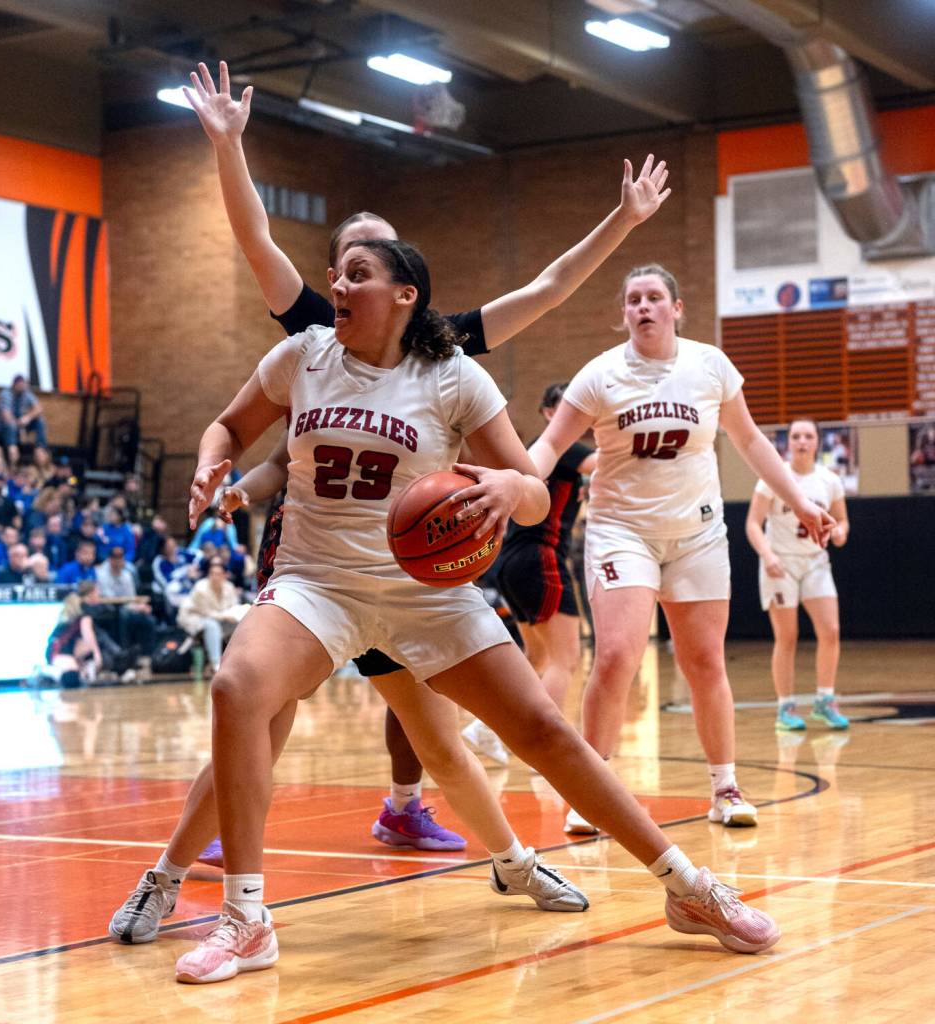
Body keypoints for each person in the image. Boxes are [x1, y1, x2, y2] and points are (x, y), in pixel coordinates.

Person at [151, 240, 780, 985]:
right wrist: (208, 460)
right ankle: (245, 920)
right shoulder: (303, 356)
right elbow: (228, 426)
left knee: (544, 730)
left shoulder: (454, 376)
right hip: (316, 580)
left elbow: (534, 487)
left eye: (357, 275)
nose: (336, 286)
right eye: (335, 273)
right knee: (236, 689)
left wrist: (514, 492)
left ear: (406, 294)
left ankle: (686, 887)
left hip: (426, 592)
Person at [182, 59, 672, 847]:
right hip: (317, 558)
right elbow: (254, 241)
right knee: (262, 704)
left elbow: (547, 288)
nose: (356, 274)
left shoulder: (443, 353)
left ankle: (481, 843)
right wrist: (228, 147)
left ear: (407, 285)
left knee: (434, 729)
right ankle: (203, 849)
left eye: (380, 256)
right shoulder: (314, 333)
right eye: (350, 259)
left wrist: (623, 222)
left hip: (408, 564)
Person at [529, 264, 835, 834]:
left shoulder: (709, 366)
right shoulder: (600, 375)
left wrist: (799, 500)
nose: (643, 307)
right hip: (623, 531)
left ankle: (725, 787)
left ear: (676, 307)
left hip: (696, 535)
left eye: (653, 298)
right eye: (633, 299)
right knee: (618, 655)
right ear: (623, 313)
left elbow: (749, 441)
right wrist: (516, 484)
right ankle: (591, 790)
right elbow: (549, 445)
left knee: (703, 662)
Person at [494, 383, 597, 711]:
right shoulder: (564, 446)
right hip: (540, 556)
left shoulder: (535, 451)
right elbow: (605, 462)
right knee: (565, 659)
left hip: (512, 561)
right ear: (550, 413)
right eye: (567, 408)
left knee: (537, 657)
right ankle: (547, 745)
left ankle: (488, 729)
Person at [745, 418, 850, 731]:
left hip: (816, 561)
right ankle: (785, 707)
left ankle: (825, 699)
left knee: (830, 630)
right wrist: (767, 555)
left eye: (808, 436)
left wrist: (840, 533)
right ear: (787, 442)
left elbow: (842, 522)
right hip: (781, 563)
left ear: (818, 442)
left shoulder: (829, 480)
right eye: (796, 436)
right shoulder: (773, 478)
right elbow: (753, 523)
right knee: (787, 636)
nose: (802, 441)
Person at [178, 558, 249, 673]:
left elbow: (234, 607)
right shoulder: (200, 588)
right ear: (209, 575)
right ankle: (215, 663)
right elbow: (206, 612)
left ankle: (239, 661)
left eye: (219, 574)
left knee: (241, 625)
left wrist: (236, 615)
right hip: (195, 617)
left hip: (220, 617)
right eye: (213, 574)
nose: (216, 577)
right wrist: (225, 616)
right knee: (212, 626)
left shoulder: (229, 587)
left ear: (224, 575)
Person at [46, 580, 102, 688]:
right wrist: (97, 655)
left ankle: (78, 668)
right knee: (71, 679)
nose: (99, 595)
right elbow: (88, 635)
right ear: (91, 594)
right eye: (97, 592)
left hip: (65, 649)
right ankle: (46, 671)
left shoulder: (79, 606)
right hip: (58, 651)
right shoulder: (85, 608)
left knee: (79, 677)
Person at [0, 374, 47, 465]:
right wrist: (20, 427)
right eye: (20, 385)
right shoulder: (6, 394)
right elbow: (6, 416)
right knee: (11, 425)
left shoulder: (26, 393)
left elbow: (39, 408)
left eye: (24, 385)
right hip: (0, 428)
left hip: (18, 425)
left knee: (39, 421)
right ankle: (12, 448)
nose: (22, 387)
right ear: (14, 385)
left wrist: (28, 417)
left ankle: (40, 447)